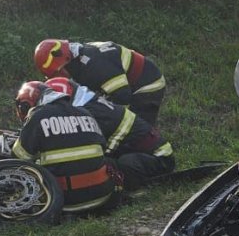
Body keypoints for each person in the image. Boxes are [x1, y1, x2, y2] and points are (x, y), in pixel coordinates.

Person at [44, 77, 175, 190]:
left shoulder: (93, 113)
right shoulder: (90, 104)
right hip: (140, 150)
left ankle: (133, 190)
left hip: (159, 158)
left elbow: (97, 148)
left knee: (114, 164)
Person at [12, 81, 121, 214]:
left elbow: (18, 158)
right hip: (103, 195)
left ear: (26, 105)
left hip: (67, 201)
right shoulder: (85, 112)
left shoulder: (38, 116)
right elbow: (102, 147)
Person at [33, 39, 166, 124]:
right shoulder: (82, 57)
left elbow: (122, 96)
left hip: (147, 84)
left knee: (138, 128)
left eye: (59, 72)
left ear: (66, 60)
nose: (61, 77)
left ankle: (153, 160)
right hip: (130, 83)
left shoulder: (94, 66)